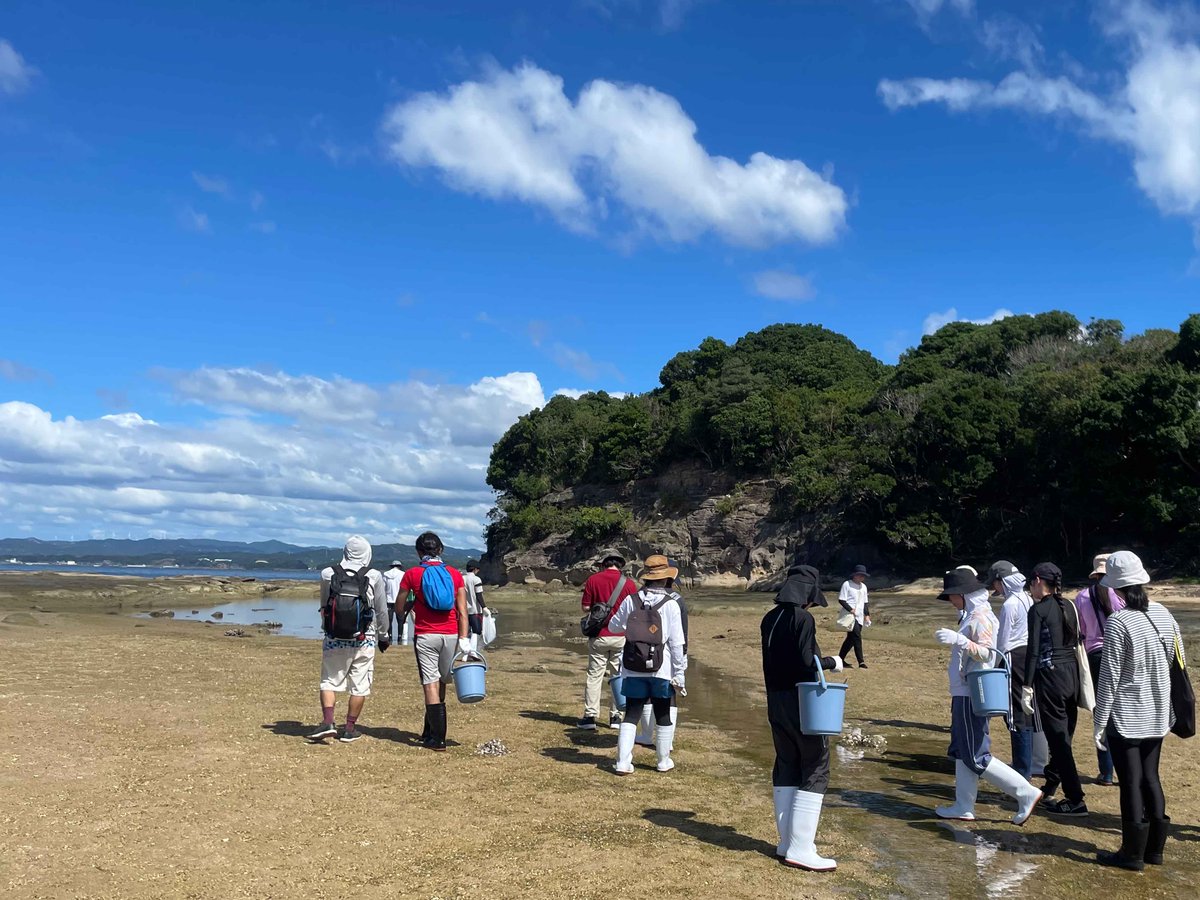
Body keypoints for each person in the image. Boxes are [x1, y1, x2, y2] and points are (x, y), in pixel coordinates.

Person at [1094, 551, 1186, 870]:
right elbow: (1177, 659)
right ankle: (1155, 851)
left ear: (1115, 588)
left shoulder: (1118, 621)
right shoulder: (1163, 613)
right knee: (1151, 778)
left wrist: (1099, 723)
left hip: (1127, 715)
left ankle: (1131, 854)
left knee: (1131, 783)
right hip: (1159, 711)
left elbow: (1109, 677)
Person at [933, 568, 1043, 825]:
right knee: (962, 749)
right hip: (965, 690)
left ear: (964, 594)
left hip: (972, 691)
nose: (950, 601)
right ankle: (963, 805)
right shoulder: (973, 615)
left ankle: (1025, 792)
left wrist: (958, 640)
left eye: (952, 596)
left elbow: (987, 654)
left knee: (975, 754)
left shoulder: (981, 617)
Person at [761, 563, 843, 871]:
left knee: (787, 763)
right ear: (808, 594)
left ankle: (786, 842)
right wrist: (833, 661)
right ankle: (801, 847)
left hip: (775, 700)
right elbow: (808, 662)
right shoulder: (802, 618)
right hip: (802, 701)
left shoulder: (769, 618)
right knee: (816, 764)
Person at [608, 554, 687, 775]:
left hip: (633, 665)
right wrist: (679, 673)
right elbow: (677, 643)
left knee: (631, 714)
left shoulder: (631, 600)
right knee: (663, 714)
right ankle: (663, 761)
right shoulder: (671, 604)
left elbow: (614, 627)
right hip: (662, 668)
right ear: (667, 578)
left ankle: (623, 762)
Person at [308, 535, 390, 743]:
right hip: (364, 638)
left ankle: (328, 722)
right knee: (360, 685)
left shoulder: (328, 573)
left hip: (334, 637)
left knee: (329, 680)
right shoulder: (373, 575)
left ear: (345, 552)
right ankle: (350, 729)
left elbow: (324, 605)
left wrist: (327, 627)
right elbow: (381, 610)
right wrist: (384, 635)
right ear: (367, 553)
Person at [1022, 562, 1088, 816]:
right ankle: (1049, 788)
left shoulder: (1038, 610)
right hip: (1071, 675)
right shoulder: (1069, 605)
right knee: (1064, 737)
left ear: (1038, 580)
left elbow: (1033, 652)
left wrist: (1027, 686)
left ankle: (1075, 799)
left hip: (1050, 678)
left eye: (1031, 582)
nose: (1030, 588)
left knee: (1059, 742)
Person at [397, 531, 471, 751]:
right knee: (442, 681)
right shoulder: (454, 574)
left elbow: (399, 607)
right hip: (451, 635)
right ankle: (429, 731)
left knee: (430, 683)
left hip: (426, 634)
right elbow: (463, 611)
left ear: (418, 552)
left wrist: (408, 608)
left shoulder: (412, 574)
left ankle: (438, 739)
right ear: (441, 550)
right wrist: (464, 638)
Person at [984, 560, 1036, 780]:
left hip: (1013, 657)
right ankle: (1026, 766)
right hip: (1030, 655)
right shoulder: (1028, 598)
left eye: (995, 583)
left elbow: (1003, 641)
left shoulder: (1009, 605)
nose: (994, 587)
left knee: (1014, 715)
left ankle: (1022, 772)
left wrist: (995, 665)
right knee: (1026, 708)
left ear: (1001, 581)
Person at [577, 551, 638, 730]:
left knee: (594, 676)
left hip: (599, 635)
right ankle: (616, 717)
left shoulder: (593, 580)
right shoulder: (629, 584)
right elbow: (634, 610)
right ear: (620, 565)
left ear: (604, 564)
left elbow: (585, 607)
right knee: (618, 676)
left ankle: (590, 717)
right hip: (622, 637)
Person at [635, 571, 688, 747]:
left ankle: (646, 735)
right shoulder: (677, 599)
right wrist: (683, 654)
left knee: (646, 695)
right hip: (670, 652)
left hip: (642, 651)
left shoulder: (640, 596)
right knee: (669, 695)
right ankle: (667, 741)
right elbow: (683, 631)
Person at [838, 565, 872, 669]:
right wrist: (851, 609)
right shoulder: (847, 584)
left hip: (859, 616)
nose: (862, 577)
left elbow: (865, 603)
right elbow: (841, 600)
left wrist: (867, 615)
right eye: (860, 575)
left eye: (863, 575)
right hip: (850, 615)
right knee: (857, 637)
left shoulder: (864, 587)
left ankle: (840, 659)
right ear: (855, 575)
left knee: (851, 639)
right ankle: (861, 662)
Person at [463, 560, 487, 652]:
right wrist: (484, 607)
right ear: (475, 569)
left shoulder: (462, 578)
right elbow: (479, 595)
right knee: (477, 632)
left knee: (466, 632)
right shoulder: (476, 579)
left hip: (464, 610)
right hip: (475, 610)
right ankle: (473, 651)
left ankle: (466, 652)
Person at [382, 559, 405, 644]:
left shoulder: (385, 574)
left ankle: (390, 636)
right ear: (400, 566)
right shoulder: (403, 574)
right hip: (400, 600)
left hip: (388, 600)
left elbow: (383, 588)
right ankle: (400, 637)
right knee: (400, 620)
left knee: (389, 620)